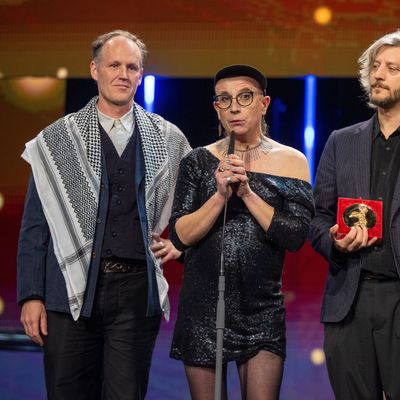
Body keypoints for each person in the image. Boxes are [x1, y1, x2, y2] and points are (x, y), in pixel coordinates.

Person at [17, 29, 191, 400]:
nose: (123, 74)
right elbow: (35, 226)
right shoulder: (57, 139)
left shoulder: (168, 138)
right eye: (114, 65)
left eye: (132, 67)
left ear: (141, 75)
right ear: (94, 70)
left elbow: (188, 208)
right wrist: (31, 296)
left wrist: (178, 241)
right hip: (66, 294)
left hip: (134, 294)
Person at [168, 65, 315, 399]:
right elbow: (179, 235)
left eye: (244, 97)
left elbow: (294, 237)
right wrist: (219, 196)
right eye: (224, 99)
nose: (234, 107)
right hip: (203, 309)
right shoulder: (197, 161)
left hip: (261, 310)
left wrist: (247, 193)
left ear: (263, 104)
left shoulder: (291, 162)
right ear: (216, 108)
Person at [310, 30, 400, 400]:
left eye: (392, 68)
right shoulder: (341, 141)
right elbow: (316, 217)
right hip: (350, 299)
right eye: (374, 66)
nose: (378, 74)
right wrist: (333, 239)